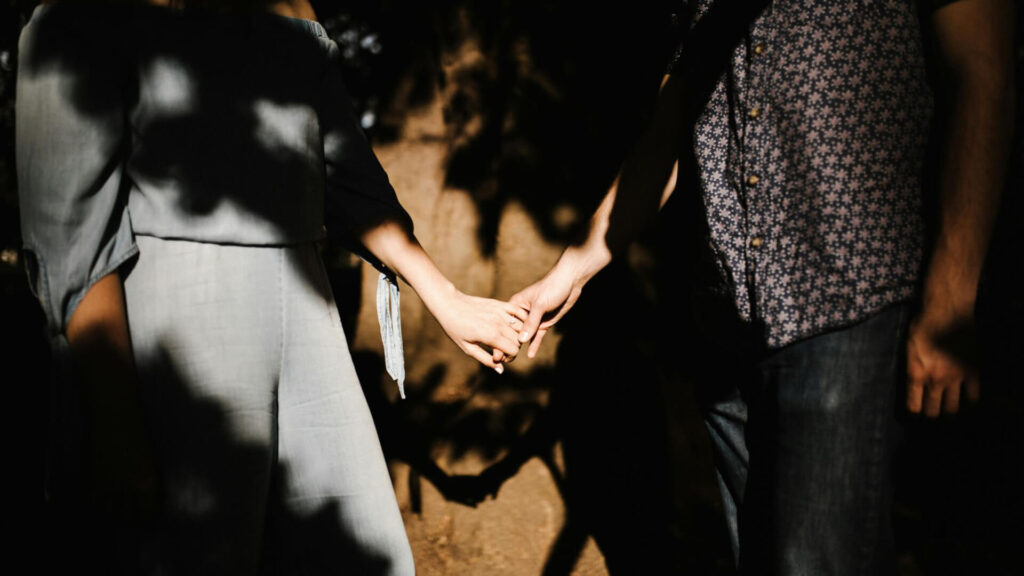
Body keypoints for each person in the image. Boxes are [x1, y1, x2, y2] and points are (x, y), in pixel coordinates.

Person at [19, 0, 524, 573]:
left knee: (361, 549)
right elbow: (71, 226)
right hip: (165, 319)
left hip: (309, 316)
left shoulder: (293, 9)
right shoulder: (85, 14)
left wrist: (447, 300)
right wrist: (114, 414)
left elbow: (351, 181)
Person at [510, 0, 1015, 573]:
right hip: (726, 317)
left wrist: (952, 298)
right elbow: (668, 131)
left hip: (847, 300)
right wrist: (567, 274)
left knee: (817, 563)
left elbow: (984, 69)